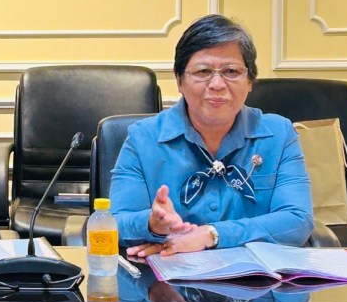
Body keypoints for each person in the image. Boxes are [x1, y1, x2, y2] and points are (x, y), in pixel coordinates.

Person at [111, 14, 313, 257]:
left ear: (250, 81)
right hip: (170, 273)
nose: (217, 84)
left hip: (256, 277)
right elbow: (114, 223)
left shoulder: (279, 134)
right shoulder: (143, 138)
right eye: (203, 71)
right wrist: (153, 225)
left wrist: (211, 235)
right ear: (179, 80)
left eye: (231, 71)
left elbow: (297, 221)